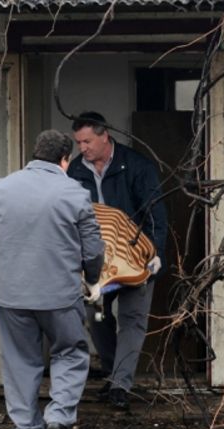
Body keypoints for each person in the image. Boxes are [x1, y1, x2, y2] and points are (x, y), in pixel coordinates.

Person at [0, 129, 105, 429]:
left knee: (19, 361)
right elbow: (93, 248)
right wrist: (91, 278)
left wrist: (0, 270)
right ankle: (59, 414)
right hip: (59, 294)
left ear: (34, 155)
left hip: (10, 295)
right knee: (71, 351)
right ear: (65, 160)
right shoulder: (74, 193)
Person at [67, 111, 167, 410]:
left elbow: (155, 215)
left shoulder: (137, 166)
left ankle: (120, 385)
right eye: (78, 142)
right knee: (95, 314)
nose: (82, 147)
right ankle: (113, 374)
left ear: (104, 135)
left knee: (132, 319)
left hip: (136, 256)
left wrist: (156, 253)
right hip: (96, 261)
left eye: (87, 141)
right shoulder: (75, 171)